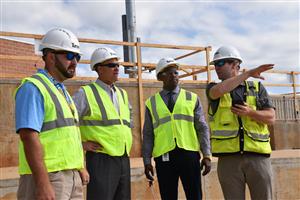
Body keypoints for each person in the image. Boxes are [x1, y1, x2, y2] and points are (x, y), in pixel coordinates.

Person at [15, 27, 87, 200]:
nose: (75, 62)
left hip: (70, 177)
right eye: (69, 56)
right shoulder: (33, 88)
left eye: (77, 57)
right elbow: (29, 136)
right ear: (51, 57)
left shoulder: (62, 91)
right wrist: (42, 183)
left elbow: (68, 135)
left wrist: (79, 167)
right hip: (48, 177)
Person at [207, 46, 275, 200]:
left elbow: (271, 118)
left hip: (258, 157)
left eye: (220, 63)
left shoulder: (257, 88)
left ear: (234, 64)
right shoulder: (213, 88)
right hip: (228, 160)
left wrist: (251, 112)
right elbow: (217, 91)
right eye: (215, 64)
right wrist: (248, 73)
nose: (216, 68)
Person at [142, 58, 211, 200]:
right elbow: (148, 134)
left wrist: (207, 154)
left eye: (176, 72)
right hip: (164, 157)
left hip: (189, 154)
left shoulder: (192, 98)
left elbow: (202, 128)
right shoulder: (151, 103)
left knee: (195, 196)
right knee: (168, 197)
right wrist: (147, 161)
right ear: (160, 77)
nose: (174, 75)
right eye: (169, 73)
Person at [73, 47, 133, 200]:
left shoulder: (123, 94)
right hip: (101, 159)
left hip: (123, 157)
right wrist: (81, 144)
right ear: (99, 69)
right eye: (112, 65)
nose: (117, 68)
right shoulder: (85, 93)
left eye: (117, 65)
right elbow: (67, 125)